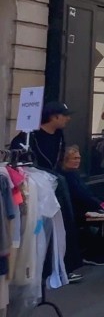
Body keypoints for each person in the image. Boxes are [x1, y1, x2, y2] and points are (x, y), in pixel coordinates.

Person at [10, 101, 84, 281]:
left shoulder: (59, 135)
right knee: (36, 228)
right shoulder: (29, 136)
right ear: (54, 116)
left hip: (53, 185)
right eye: (65, 115)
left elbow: (57, 161)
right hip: (34, 188)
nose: (68, 119)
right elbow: (18, 161)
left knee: (62, 225)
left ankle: (63, 267)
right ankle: (36, 268)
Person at [58, 145, 104, 266]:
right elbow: (80, 196)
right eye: (74, 158)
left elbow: (87, 192)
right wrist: (100, 205)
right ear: (65, 159)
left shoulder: (74, 173)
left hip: (85, 207)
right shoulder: (65, 176)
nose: (78, 161)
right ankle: (93, 254)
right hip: (76, 212)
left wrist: (103, 202)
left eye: (79, 158)